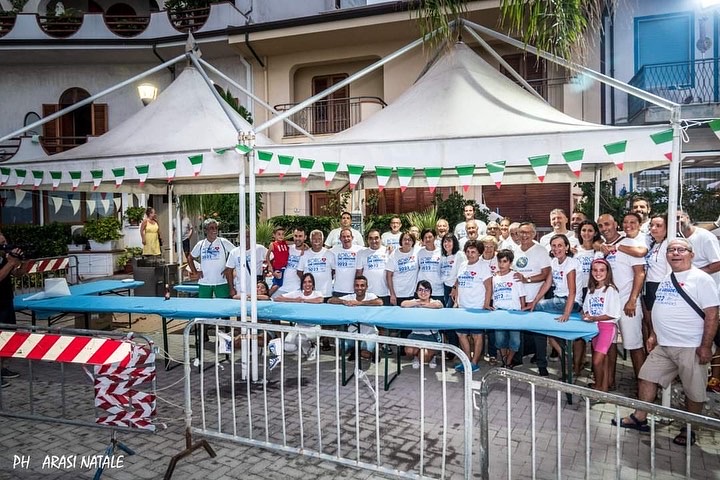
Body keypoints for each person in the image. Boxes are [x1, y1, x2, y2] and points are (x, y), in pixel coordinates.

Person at [612, 239, 719, 448]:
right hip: (664, 344)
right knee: (646, 377)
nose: (675, 253)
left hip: (691, 346)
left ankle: (690, 428)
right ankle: (640, 417)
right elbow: (659, 309)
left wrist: (705, 346)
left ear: (691, 254)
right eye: (671, 250)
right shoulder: (666, 278)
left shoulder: (702, 279)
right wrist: (653, 335)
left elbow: (712, 315)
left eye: (681, 250)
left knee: (693, 391)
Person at [597, 213, 646, 383]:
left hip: (627, 303)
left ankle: (643, 387)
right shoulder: (601, 248)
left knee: (634, 345)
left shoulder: (629, 244)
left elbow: (640, 273)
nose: (605, 228)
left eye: (607, 224)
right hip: (608, 306)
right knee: (608, 345)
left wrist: (632, 300)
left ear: (615, 224)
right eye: (601, 226)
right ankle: (608, 382)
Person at [534, 234, 584, 365]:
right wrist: (534, 302)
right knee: (549, 333)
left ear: (567, 247)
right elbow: (547, 284)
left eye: (560, 245)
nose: (556, 249)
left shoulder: (571, 263)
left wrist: (566, 314)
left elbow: (572, 291)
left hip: (570, 303)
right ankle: (566, 356)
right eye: (554, 246)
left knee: (537, 310)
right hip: (558, 301)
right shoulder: (554, 262)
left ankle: (552, 358)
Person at [511, 222, 552, 376]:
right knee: (518, 331)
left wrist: (526, 279)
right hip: (518, 300)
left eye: (528, 232)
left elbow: (546, 274)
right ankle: (517, 358)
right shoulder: (514, 251)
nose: (524, 235)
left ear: (534, 234)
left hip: (536, 298)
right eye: (521, 232)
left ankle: (542, 364)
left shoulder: (540, 251)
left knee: (539, 333)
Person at [451, 239, 493, 373]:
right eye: (468, 252)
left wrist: (486, 304)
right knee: (461, 334)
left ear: (479, 253)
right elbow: (458, 280)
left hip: (477, 308)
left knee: (477, 336)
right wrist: (454, 290)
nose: (470, 254)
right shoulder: (463, 264)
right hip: (462, 307)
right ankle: (467, 361)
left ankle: (474, 363)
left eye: (473, 252)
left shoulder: (483, 266)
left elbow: (489, 287)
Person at [582, 258, 622, 392]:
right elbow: (586, 307)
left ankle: (599, 387)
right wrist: (586, 314)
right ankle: (601, 387)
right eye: (595, 270)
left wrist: (594, 317)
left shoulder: (611, 290)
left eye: (602, 270)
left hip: (606, 328)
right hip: (594, 328)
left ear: (607, 272)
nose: (598, 273)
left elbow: (613, 314)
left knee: (597, 361)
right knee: (601, 361)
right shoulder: (591, 289)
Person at [329, 276, 382, 360]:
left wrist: (359, 303)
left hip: (369, 334)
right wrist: (344, 301)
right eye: (357, 285)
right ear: (354, 287)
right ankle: (355, 350)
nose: (359, 288)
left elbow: (379, 302)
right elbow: (331, 300)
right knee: (339, 350)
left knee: (365, 354)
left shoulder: (371, 296)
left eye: (362, 285)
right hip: (352, 334)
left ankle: (373, 351)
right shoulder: (350, 297)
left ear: (366, 287)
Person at [274, 273, 324, 362]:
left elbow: (320, 300)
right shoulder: (297, 293)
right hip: (299, 325)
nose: (307, 284)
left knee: (300, 338)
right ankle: (304, 351)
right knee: (287, 346)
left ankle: (311, 348)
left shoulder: (317, 293)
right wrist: (295, 300)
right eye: (304, 282)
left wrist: (304, 300)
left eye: (309, 282)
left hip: (313, 326)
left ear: (313, 284)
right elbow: (277, 298)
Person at [492, 249, 526, 368]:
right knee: (500, 339)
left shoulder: (515, 276)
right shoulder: (494, 277)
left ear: (510, 263)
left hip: (514, 313)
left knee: (515, 341)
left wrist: (522, 310)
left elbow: (522, 295)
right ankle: (504, 360)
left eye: (505, 261)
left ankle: (508, 361)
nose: (501, 264)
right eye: (500, 261)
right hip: (499, 312)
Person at [0, 231, 25, 386]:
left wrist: (24, 261)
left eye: (5, 242)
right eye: (2, 244)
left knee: (7, 337)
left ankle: (2, 368)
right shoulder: (6, 260)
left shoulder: (4, 258)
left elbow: (18, 274)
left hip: (6, 301)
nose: (5, 246)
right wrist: (10, 262)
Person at [401, 280, 444, 369]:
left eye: (426, 290)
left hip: (431, 336)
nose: (423, 292)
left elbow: (439, 305)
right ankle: (416, 357)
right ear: (416, 292)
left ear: (430, 292)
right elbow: (403, 304)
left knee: (424, 357)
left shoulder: (434, 301)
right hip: (415, 335)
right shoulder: (414, 302)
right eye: (420, 290)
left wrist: (424, 304)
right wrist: (418, 302)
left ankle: (432, 357)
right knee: (408, 351)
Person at [188, 218, 235, 299]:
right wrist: (195, 272)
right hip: (204, 282)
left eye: (216, 228)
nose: (215, 230)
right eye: (211, 228)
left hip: (221, 281)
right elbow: (190, 258)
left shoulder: (223, 242)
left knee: (223, 305)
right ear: (206, 230)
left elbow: (236, 254)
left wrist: (229, 268)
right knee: (204, 307)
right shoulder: (201, 244)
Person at [678, 209, 720, 286]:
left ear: (687, 218)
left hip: (707, 287)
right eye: (672, 219)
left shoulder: (706, 236)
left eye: (679, 217)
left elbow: (717, 264)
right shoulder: (676, 238)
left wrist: (690, 274)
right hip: (688, 287)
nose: (677, 221)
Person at [356, 229, 390, 304]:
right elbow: (359, 274)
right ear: (367, 240)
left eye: (376, 238)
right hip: (368, 294)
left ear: (381, 239)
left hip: (385, 293)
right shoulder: (362, 253)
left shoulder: (388, 251)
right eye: (370, 238)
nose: (373, 241)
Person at [385, 231, 419, 306]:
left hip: (412, 294)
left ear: (413, 242)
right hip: (397, 294)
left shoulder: (417, 251)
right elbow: (388, 276)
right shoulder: (394, 254)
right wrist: (392, 294)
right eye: (405, 239)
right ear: (401, 241)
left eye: (409, 239)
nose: (407, 241)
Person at [274, 227, 308, 299]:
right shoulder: (287, 247)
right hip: (281, 288)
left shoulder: (307, 252)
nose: (297, 238)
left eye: (300, 236)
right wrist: (273, 272)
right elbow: (272, 259)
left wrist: (305, 246)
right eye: (295, 236)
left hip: (296, 290)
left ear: (305, 237)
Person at [331, 227, 365, 297]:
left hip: (354, 290)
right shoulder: (333, 250)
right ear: (340, 239)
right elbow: (320, 251)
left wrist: (388, 248)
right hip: (338, 289)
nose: (346, 239)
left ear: (352, 237)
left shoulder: (360, 250)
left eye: (348, 236)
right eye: (343, 237)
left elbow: (373, 250)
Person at [417, 229, 443, 302]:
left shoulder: (441, 252)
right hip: (423, 291)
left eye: (430, 237)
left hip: (438, 290)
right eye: (425, 237)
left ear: (434, 237)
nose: (428, 239)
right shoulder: (419, 252)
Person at [266, 226, 291, 297]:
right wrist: (270, 266)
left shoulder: (285, 243)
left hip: (284, 267)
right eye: (279, 234)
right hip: (278, 267)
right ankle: (267, 295)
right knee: (277, 284)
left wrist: (305, 245)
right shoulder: (273, 245)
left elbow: (295, 244)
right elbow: (267, 256)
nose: (281, 236)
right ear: (274, 235)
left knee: (278, 283)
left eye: (283, 234)